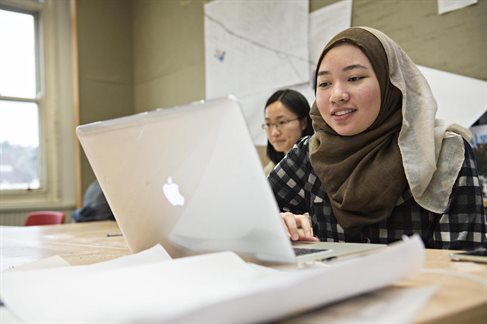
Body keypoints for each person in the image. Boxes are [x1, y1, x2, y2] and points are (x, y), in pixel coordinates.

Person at [268, 26, 487, 250]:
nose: (337, 95)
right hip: (332, 286)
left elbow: (463, 261)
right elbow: (245, 214)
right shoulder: (310, 153)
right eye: (324, 83)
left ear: (390, 83)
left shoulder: (442, 152)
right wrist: (275, 220)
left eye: (354, 78)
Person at [263, 89, 314, 176]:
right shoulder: (270, 170)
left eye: (282, 122)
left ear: (303, 123)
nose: (274, 133)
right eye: (268, 124)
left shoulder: (318, 164)